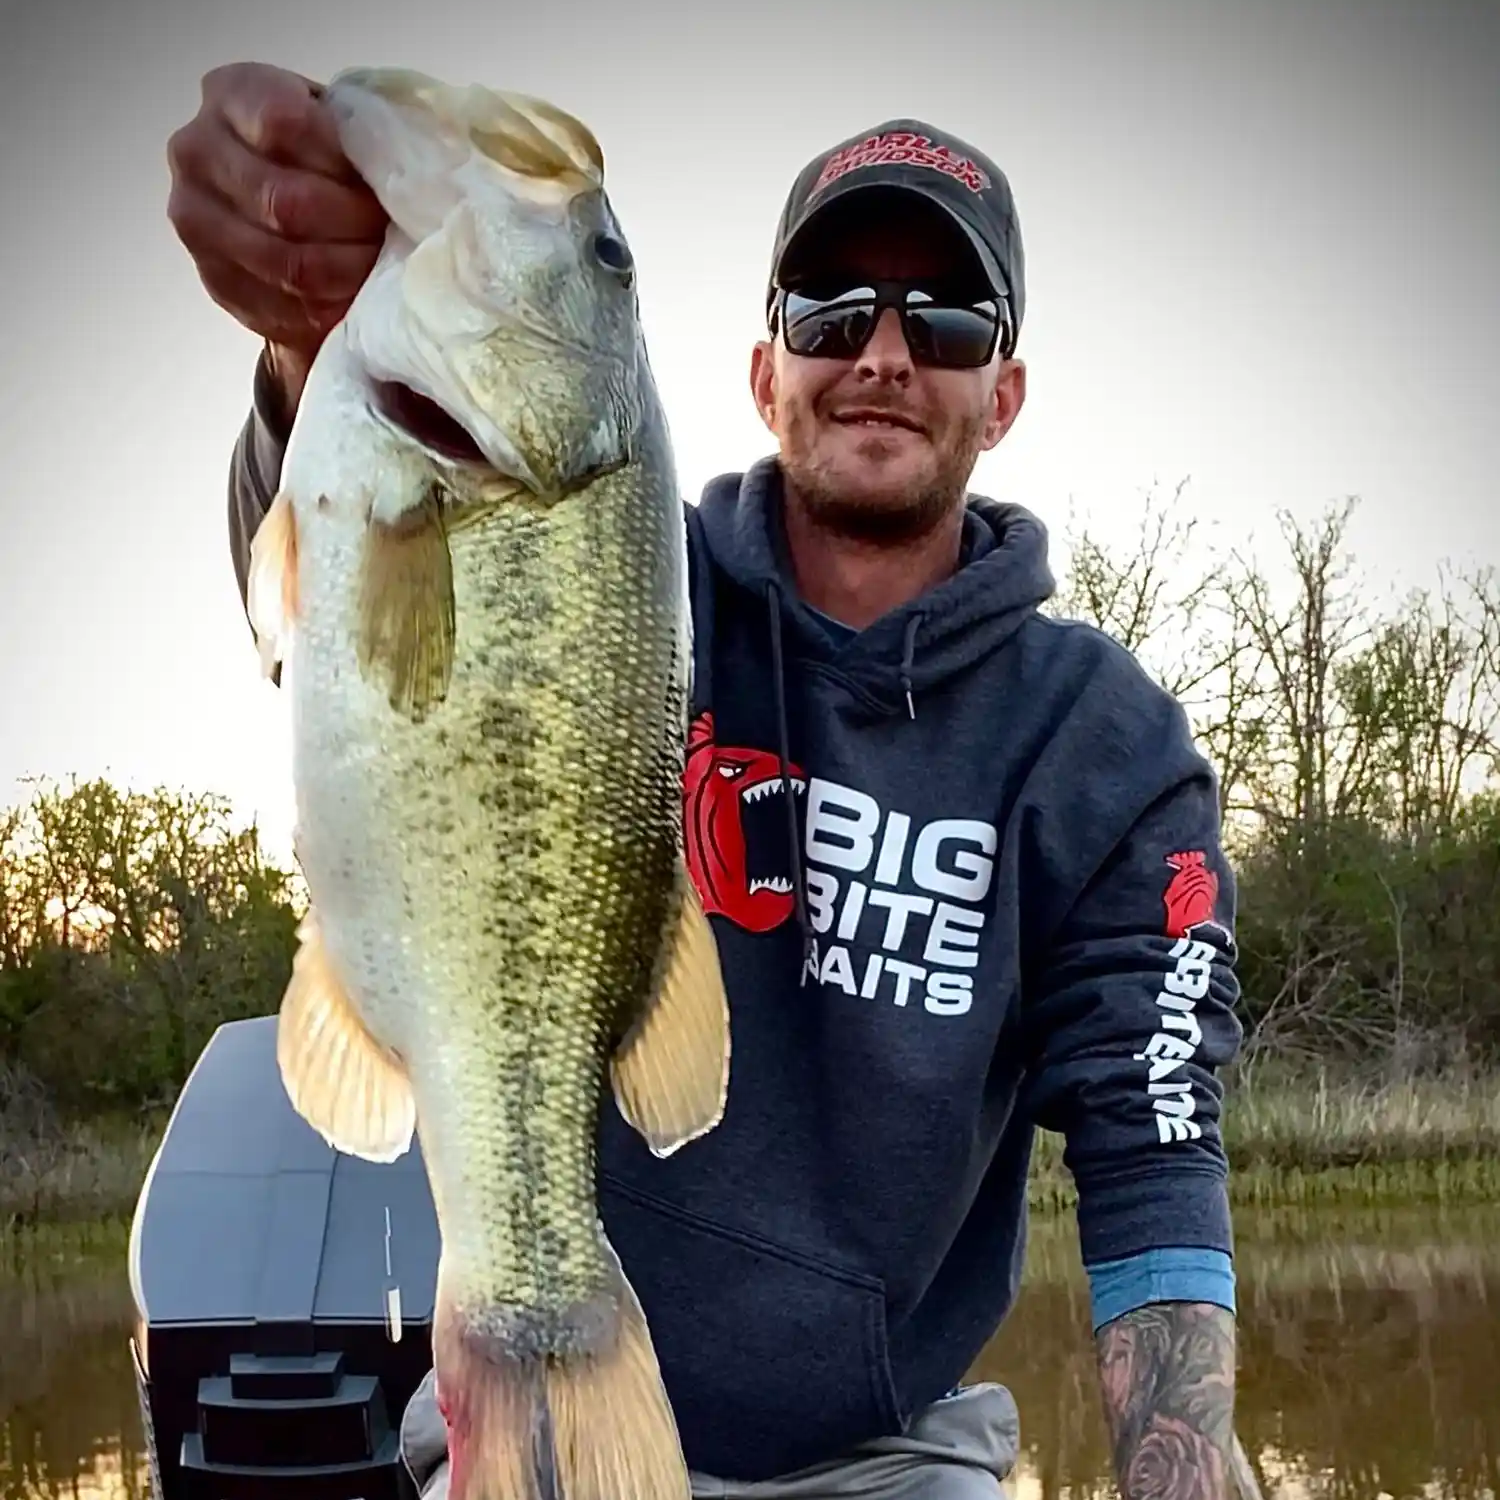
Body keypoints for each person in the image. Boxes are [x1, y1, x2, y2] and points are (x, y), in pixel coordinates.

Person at [167, 62, 1246, 1500]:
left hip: (887, 1455)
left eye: (943, 315)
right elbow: (334, 615)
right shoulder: (620, 579)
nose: (880, 352)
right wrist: (305, 361)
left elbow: (1151, 1125)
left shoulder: (1105, 749)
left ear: (1007, 388)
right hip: (523, 1393)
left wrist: (1186, 1461)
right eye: (827, 310)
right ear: (762, 372)